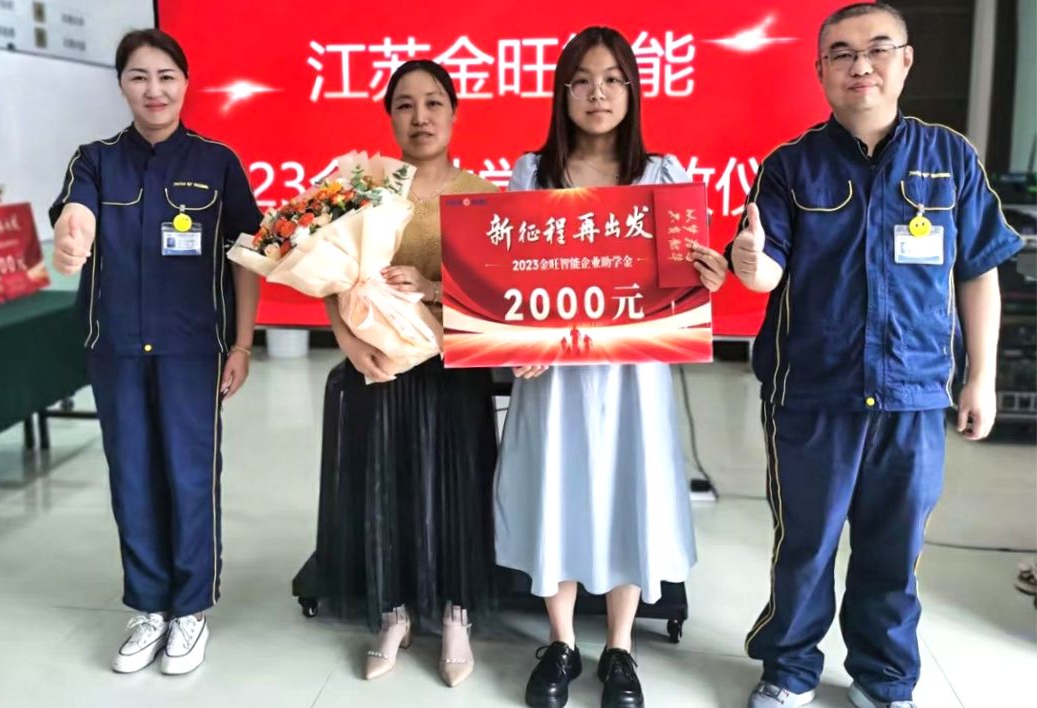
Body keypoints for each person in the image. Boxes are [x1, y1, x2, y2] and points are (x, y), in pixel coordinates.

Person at [727, 4, 1024, 707]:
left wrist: (980, 379)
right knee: (805, 544)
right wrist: (749, 261)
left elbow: (979, 270)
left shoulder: (950, 159)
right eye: (841, 53)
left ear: (905, 61)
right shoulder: (790, 167)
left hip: (913, 392)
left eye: (877, 49)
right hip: (811, 392)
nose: (860, 65)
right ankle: (790, 669)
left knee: (894, 547)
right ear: (820, 70)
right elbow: (766, 269)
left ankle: (884, 678)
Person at [493, 26, 728, 708]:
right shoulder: (531, 175)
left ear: (632, 90)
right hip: (552, 375)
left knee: (631, 490)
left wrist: (705, 281)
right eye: (583, 81)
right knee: (554, 489)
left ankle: (620, 647)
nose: (598, 94)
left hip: (633, 377)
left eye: (613, 80)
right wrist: (515, 342)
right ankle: (562, 641)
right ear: (562, 92)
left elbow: (681, 284)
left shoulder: (662, 176)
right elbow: (509, 280)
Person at [49, 28, 262, 675]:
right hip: (115, 347)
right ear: (121, 84)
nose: (154, 89)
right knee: (132, 476)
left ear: (186, 83)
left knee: (190, 477)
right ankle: (149, 607)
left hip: (192, 349)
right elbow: (76, 211)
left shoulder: (217, 162)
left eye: (166, 76)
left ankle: (190, 610)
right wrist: (73, 230)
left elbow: (246, 256)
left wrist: (243, 343)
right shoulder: (94, 160)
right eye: (139, 76)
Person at [312, 60, 499, 687]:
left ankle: (455, 612)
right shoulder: (364, 188)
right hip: (378, 364)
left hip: (453, 365)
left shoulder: (482, 195)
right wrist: (346, 340)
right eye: (405, 105)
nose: (420, 117)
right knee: (383, 488)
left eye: (434, 103)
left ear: (454, 113)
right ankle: (392, 612)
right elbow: (327, 271)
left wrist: (432, 287)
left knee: (456, 487)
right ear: (389, 116)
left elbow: (495, 295)